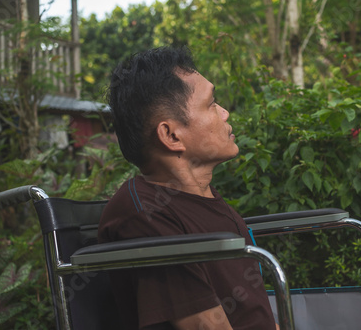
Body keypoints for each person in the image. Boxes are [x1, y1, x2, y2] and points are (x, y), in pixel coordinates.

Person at [98, 46, 278, 330]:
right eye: (211, 104)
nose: (225, 113)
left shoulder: (204, 201)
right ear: (171, 135)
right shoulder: (145, 215)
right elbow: (206, 326)